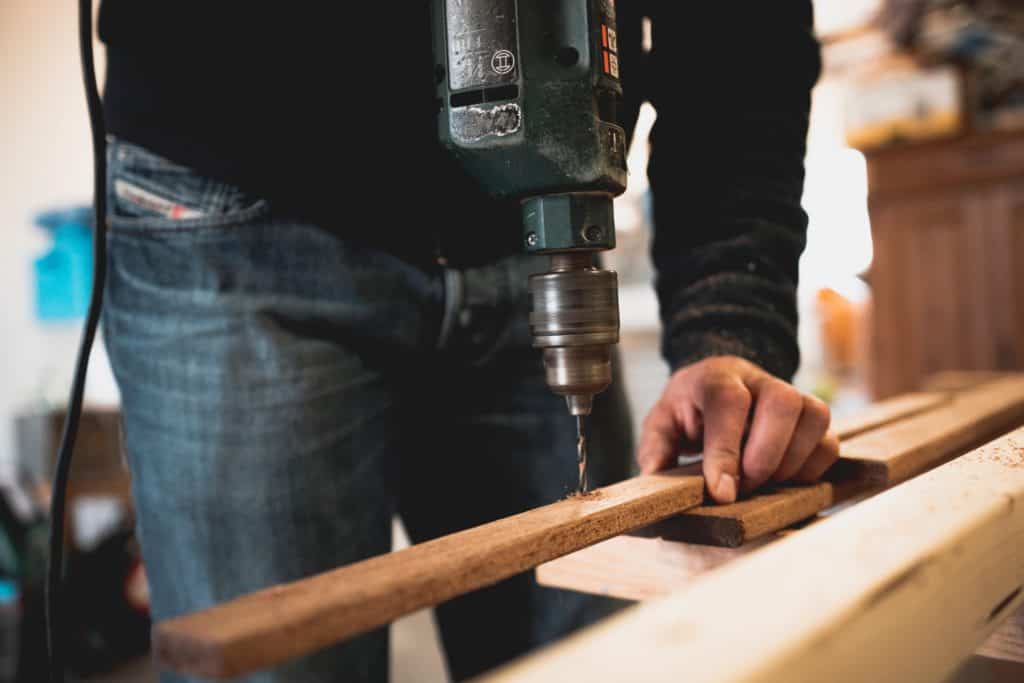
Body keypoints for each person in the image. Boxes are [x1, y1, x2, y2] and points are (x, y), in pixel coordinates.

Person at [96, 2, 837, 681]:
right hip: (231, 199)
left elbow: (744, 32)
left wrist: (728, 317)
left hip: (524, 226)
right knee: (274, 658)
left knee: (595, 658)